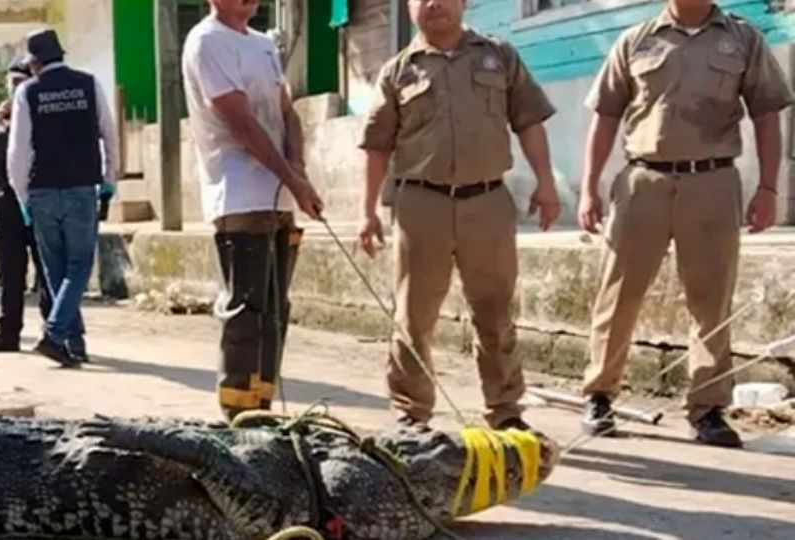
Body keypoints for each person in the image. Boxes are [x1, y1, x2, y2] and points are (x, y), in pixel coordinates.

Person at [577, 0, 794, 447]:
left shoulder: (742, 38)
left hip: (712, 183)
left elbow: (767, 114)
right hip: (642, 182)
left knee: (711, 300)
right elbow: (605, 116)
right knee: (618, 295)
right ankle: (599, 395)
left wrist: (769, 188)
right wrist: (588, 188)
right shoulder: (636, 40)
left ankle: (708, 408)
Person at [358, 0, 560, 430]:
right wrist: (368, 211)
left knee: (495, 312)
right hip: (421, 206)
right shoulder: (398, 71)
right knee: (414, 317)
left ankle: (505, 410)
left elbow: (528, 121)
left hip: (486, 202)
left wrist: (546, 182)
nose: (434, 4)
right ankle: (412, 415)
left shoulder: (499, 56)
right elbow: (377, 145)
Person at [181, 0, 324, 421]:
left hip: (278, 196)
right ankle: (239, 412)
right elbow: (241, 123)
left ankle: (263, 403)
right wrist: (294, 182)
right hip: (239, 194)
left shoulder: (263, 43)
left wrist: (296, 171)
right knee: (246, 308)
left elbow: (285, 112)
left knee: (276, 309)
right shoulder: (207, 42)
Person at [8, 28, 118, 367]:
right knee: (79, 266)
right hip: (82, 188)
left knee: (55, 268)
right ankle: (56, 334)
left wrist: (22, 196)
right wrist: (110, 179)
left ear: (35, 63)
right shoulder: (89, 84)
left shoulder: (27, 92)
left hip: (41, 189)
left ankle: (73, 342)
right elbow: (109, 134)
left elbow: (18, 152)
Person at [0, 56, 52, 353]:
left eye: (20, 83)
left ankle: (52, 334)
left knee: (45, 270)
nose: (15, 89)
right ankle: (8, 333)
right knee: (8, 271)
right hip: (5, 204)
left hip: (36, 201)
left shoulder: (40, 110)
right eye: (11, 84)